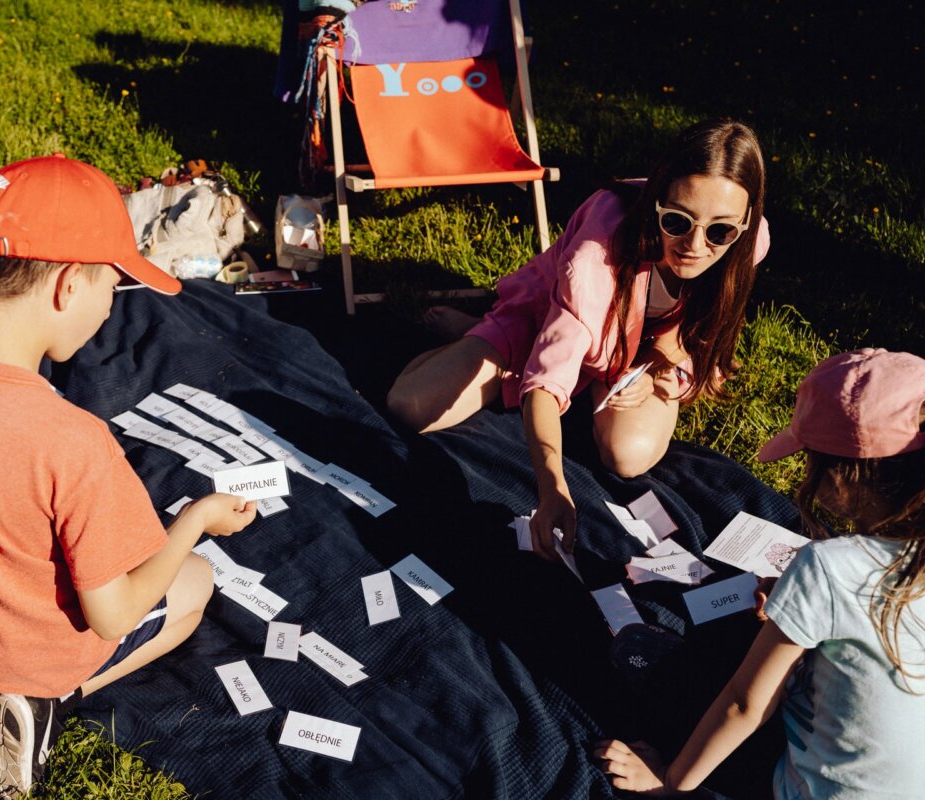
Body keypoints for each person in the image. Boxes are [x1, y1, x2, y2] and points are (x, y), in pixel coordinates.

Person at [0, 154, 257, 797]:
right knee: (194, 584)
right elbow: (113, 614)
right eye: (111, 287)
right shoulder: (74, 442)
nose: (108, 310)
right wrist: (195, 521)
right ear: (69, 284)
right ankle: (46, 701)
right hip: (32, 653)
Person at [386, 118, 770, 562]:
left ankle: (492, 342)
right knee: (410, 406)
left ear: (744, 222)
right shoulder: (597, 252)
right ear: (655, 203)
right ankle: (486, 335)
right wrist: (553, 488)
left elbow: (697, 327)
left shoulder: (749, 243)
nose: (696, 245)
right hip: (543, 318)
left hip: (634, 352)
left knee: (629, 456)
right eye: (678, 221)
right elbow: (548, 384)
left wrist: (658, 367)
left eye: (720, 230)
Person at [595, 348, 925, 798]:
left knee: (643, 656)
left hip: (806, 788)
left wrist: (671, 783)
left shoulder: (827, 568)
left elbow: (743, 706)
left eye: (808, 458)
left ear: (841, 476)